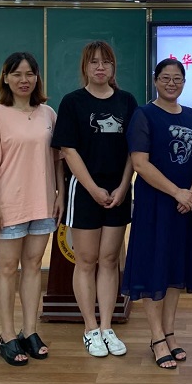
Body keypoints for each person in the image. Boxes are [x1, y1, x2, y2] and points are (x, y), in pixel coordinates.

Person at [0, 52, 64, 366]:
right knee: (8, 269)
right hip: (9, 204)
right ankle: (7, 335)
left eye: (30, 74)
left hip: (42, 203)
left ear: (37, 77)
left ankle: (30, 330)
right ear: (6, 78)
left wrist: (60, 194)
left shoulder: (48, 113)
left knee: (34, 266)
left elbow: (57, 161)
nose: (24, 80)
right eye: (17, 74)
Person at [52, 41, 138, 358]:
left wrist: (124, 185)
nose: (100, 67)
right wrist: (92, 188)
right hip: (85, 191)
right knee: (87, 260)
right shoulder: (72, 102)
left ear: (113, 67)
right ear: (85, 67)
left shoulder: (127, 101)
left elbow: (134, 150)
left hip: (118, 192)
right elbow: (68, 150)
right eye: (94, 62)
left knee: (110, 260)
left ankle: (106, 326)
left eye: (106, 62)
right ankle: (90, 328)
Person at [122, 58, 192, 369]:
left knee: (175, 269)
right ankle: (156, 337)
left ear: (184, 82)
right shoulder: (144, 114)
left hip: (184, 206)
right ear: (156, 80)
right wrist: (177, 192)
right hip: (155, 205)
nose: (172, 83)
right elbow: (140, 164)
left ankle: (169, 332)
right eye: (165, 78)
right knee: (152, 267)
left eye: (177, 79)